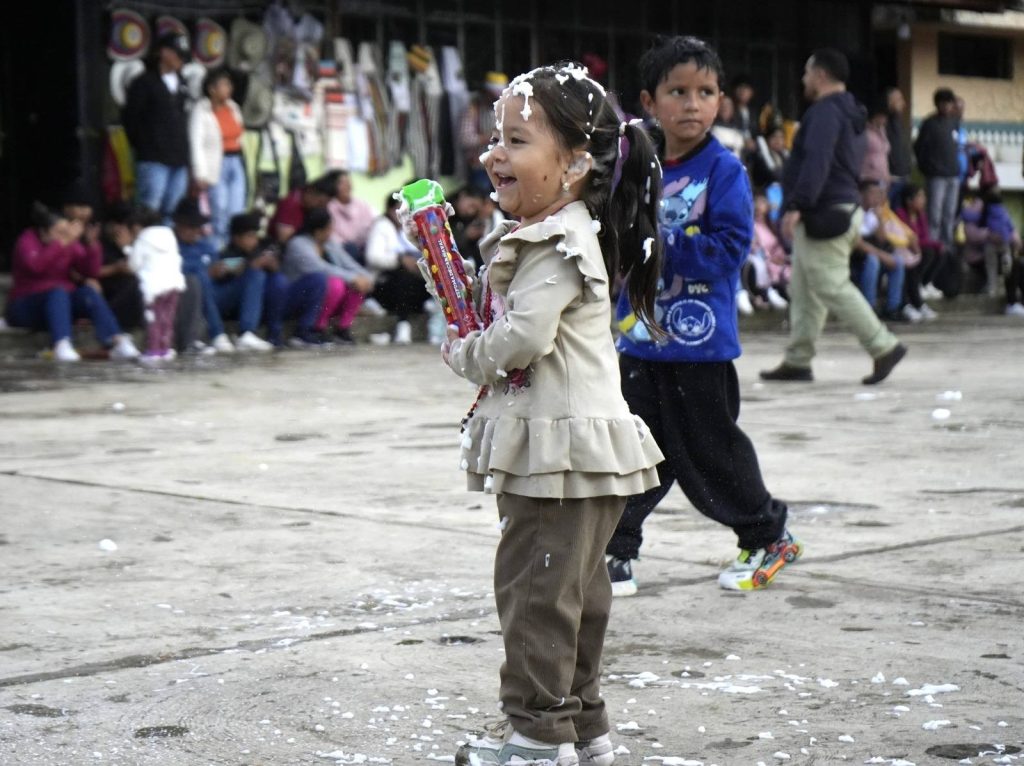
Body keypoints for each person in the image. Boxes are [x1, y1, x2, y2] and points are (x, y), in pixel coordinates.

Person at [445, 62, 665, 766]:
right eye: (493, 138)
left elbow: (523, 341)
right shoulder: (572, 231)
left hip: (558, 458)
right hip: (585, 451)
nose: (493, 155)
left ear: (572, 165)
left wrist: (465, 350)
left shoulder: (553, 241)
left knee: (535, 595)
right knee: (574, 595)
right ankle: (583, 728)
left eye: (514, 140)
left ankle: (537, 739)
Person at [608, 35, 798, 600]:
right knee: (632, 451)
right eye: (678, 91)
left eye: (706, 92)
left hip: (700, 343)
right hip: (640, 339)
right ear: (650, 100)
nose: (693, 104)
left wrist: (658, 246)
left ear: (720, 101)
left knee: (710, 453)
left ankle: (767, 536)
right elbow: (615, 230)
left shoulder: (725, 170)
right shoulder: (635, 163)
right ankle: (615, 550)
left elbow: (730, 248)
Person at [760, 48, 906, 386]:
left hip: (824, 211)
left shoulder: (825, 112)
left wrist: (796, 204)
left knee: (830, 285)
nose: (803, 79)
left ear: (821, 75)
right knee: (805, 288)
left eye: (807, 72)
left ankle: (884, 346)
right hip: (838, 209)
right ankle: (798, 360)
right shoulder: (851, 111)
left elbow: (817, 161)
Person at [5, 203, 140, 362]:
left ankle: (116, 340)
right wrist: (61, 244)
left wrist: (91, 246)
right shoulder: (27, 240)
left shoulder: (68, 243)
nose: (65, 236)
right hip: (25, 306)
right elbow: (36, 267)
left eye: (66, 232)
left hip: (59, 306)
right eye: (59, 232)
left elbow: (90, 271)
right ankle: (61, 344)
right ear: (43, 232)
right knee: (58, 292)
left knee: (88, 293)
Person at [122, 33, 192, 219]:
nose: (181, 59)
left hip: (179, 157)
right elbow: (130, 119)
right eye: (178, 54)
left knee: (174, 209)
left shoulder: (183, 83)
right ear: (164, 53)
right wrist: (144, 146)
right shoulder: (144, 83)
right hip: (153, 158)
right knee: (149, 208)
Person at [280, 207, 368, 345]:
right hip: (295, 296)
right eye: (329, 228)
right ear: (318, 231)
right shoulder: (298, 244)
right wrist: (353, 278)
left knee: (358, 284)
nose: (331, 232)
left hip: (322, 299)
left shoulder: (329, 243)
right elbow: (320, 268)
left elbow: (347, 263)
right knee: (334, 283)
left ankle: (342, 329)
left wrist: (365, 277)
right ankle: (315, 327)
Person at [189, 67, 247, 248]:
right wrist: (200, 173)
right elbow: (196, 142)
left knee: (236, 208)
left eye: (229, 85)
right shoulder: (201, 110)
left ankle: (232, 247)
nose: (228, 89)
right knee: (219, 209)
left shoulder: (233, 108)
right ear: (212, 89)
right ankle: (216, 248)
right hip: (217, 163)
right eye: (224, 85)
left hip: (235, 161)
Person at [364, 193, 429, 345]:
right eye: (399, 211)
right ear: (389, 209)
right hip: (383, 283)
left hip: (411, 282)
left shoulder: (408, 228)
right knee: (403, 279)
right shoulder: (381, 226)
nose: (403, 216)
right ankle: (402, 325)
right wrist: (400, 260)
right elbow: (373, 257)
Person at [172, 197, 234, 354]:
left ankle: (248, 333)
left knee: (255, 274)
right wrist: (206, 272)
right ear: (178, 225)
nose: (195, 231)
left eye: (197, 226)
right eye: (191, 227)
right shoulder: (170, 244)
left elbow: (216, 265)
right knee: (199, 277)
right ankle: (217, 333)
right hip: (186, 297)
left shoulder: (206, 245)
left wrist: (224, 271)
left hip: (214, 294)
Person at [213, 213, 280, 351]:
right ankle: (246, 333)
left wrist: (272, 265)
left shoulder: (255, 251)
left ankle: (273, 332)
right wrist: (250, 265)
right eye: (250, 236)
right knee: (256, 275)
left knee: (277, 280)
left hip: (240, 306)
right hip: (220, 303)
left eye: (255, 236)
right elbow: (225, 271)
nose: (254, 241)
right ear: (236, 238)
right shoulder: (226, 254)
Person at [128, 208, 186, 362]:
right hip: (174, 283)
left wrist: (129, 250)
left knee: (154, 319)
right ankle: (165, 349)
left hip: (153, 287)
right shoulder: (169, 236)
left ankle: (154, 350)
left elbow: (134, 265)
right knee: (167, 318)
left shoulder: (142, 240)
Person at [852, 181, 908, 322]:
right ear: (861, 194)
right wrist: (882, 256)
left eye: (879, 194)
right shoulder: (854, 212)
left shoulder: (873, 213)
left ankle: (893, 307)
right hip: (858, 258)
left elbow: (882, 240)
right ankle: (869, 307)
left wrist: (879, 218)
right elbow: (857, 243)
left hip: (875, 253)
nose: (877, 197)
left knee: (898, 262)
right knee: (873, 261)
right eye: (873, 193)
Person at [913, 88, 960, 250]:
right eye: (944, 103)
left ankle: (947, 246)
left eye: (949, 103)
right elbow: (918, 148)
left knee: (949, 213)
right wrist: (926, 168)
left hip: (953, 175)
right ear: (937, 104)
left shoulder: (954, 122)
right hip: (936, 177)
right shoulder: (929, 123)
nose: (947, 106)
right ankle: (932, 246)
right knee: (934, 214)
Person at [894, 184, 944, 318]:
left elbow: (923, 237)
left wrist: (935, 245)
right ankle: (914, 302)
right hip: (903, 250)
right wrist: (930, 244)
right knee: (925, 253)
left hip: (917, 250)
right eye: (920, 197)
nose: (924, 200)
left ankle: (923, 284)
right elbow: (907, 238)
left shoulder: (921, 215)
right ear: (909, 201)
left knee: (938, 251)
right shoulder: (900, 214)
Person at [97, 201, 146, 331]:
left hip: (131, 299)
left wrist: (125, 248)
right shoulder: (100, 245)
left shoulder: (135, 244)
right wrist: (115, 268)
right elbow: (90, 272)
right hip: (110, 299)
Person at [459, 71, 507, 192]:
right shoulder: (474, 109)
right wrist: (491, 136)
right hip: (480, 169)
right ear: (486, 92)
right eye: (493, 95)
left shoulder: (508, 109)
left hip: (504, 168)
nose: (496, 99)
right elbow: (465, 139)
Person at [744, 191, 790, 310]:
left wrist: (782, 257)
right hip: (764, 258)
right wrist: (770, 257)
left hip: (778, 258)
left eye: (762, 203)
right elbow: (755, 247)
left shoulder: (771, 225)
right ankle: (766, 294)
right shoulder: (751, 225)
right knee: (762, 266)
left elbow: (778, 245)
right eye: (757, 204)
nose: (759, 207)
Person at [268, 175, 334, 244]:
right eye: (320, 202)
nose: (321, 207)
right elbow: (283, 238)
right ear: (310, 192)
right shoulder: (291, 204)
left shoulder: (312, 209)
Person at [327, 170, 376, 260]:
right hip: (343, 250)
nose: (348, 186)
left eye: (349, 182)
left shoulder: (361, 205)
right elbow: (331, 237)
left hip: (364, 246)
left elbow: (372, 225)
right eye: (342, 183)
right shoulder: (329, 208)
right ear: (333, 186)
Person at [884, 87, 913, 209]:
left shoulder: (900, 122)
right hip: (891, 177)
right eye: (899, 99)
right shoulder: (883, 122)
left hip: (904, 175)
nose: (903, 104)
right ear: (890, 101)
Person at [860, 103, 891, 188]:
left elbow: (884, 152)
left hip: (883, 175)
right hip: (869, 176)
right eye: (882, 117)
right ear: (875, 117)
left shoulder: (882, 131)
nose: (885, 120)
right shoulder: (865, 132)